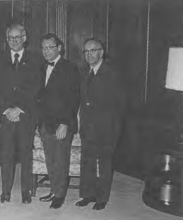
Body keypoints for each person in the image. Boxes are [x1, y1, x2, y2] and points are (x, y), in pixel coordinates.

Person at [0, 23, 43, 204]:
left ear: (24, 38)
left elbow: (36, 87)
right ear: (7, 40)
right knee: (6, 154)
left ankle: (26, 191)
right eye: (10, 38)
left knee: (25, 154)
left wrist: (18, 108)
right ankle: (5, 191)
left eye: (17, 37)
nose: (14, 41)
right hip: (6, 116)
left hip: (26, 114)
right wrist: (7, 110)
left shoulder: (36, 59)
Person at [76, 38, 125, 210]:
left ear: (101, 52)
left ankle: (101, 198)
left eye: (93, 50)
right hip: (88, 128)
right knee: (87, 162)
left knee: (104, 164)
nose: (89, 54)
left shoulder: (112, 74)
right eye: (86, 51)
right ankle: (87, 195)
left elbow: (118, 105)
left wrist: (113, 129)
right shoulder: (83, 73)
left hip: (107, 128)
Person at [37, 33, 80, 209]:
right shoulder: (40, 67)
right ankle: (54, 190)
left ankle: (60, 195)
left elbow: (73, 98)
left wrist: (65, 123)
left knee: (60, 160)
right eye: (44, 48)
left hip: (62, 123)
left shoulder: (69, 67)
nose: (46, 51)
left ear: (59, 48)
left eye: (50, 47)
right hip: (44, 123)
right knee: (50, 159)